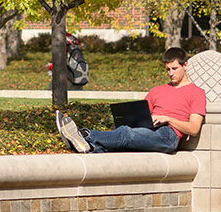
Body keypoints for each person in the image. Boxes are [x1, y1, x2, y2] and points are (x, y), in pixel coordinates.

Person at [56, 47, 206, 154]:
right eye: (168, 69)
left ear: (185, 65)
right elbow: (142, 114)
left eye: (174, 68)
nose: (171, 73)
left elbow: (193, 129)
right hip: (149, 131)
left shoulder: (196, 92)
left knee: (126, 134)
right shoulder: (157, 90)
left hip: (168, 136)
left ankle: (83, 135)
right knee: (115, 145)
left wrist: (167, 119)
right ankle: (86, 146)